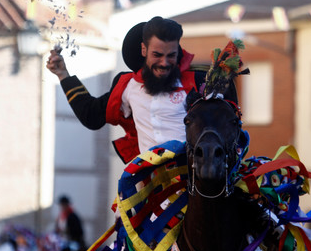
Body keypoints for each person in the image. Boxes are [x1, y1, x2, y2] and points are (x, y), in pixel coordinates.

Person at [46, 16, 206, 164]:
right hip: (150, 184)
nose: (164, 63)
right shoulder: (128, 86)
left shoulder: (198, 83)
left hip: (195, 181)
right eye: (157, 55)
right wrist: (63, 75)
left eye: (170, 55)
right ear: (144, 50)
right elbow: (91, 116)